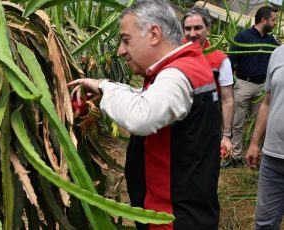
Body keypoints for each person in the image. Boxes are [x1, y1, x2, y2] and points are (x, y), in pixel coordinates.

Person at [68, 1, 221, 229]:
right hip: (189, 206)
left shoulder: (177, 75)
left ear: (153, 34)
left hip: (171, 218)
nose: (120, 50)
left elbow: (142, 117)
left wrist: (107, 89)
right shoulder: (188, 66)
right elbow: (150, 97)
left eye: (126, 40)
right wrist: (104, 87)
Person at [222, 6, 279, 168]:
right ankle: (235, 157)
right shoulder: (243, 36)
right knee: (237, 122)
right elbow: (230, 62)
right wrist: (230, 86)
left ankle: (253, 157)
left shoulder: (271, 41)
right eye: (273, 20)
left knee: (258, 124)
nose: (275, 23)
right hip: (243, 84)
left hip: (262, 88)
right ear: (264, 20)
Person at [182, 6, 234, 157]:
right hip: (177, 126)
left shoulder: (221, 60)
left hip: (206, 128)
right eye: (188, 28)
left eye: (198, 28)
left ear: (209, 29)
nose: (192, 34)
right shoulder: (173, 54)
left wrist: (226, 135)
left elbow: (227, 99)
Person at [245, 45, 284, 230]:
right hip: (272, 157)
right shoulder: (278, 54)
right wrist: (254, 143)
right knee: (264, 223)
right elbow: (267, 102)